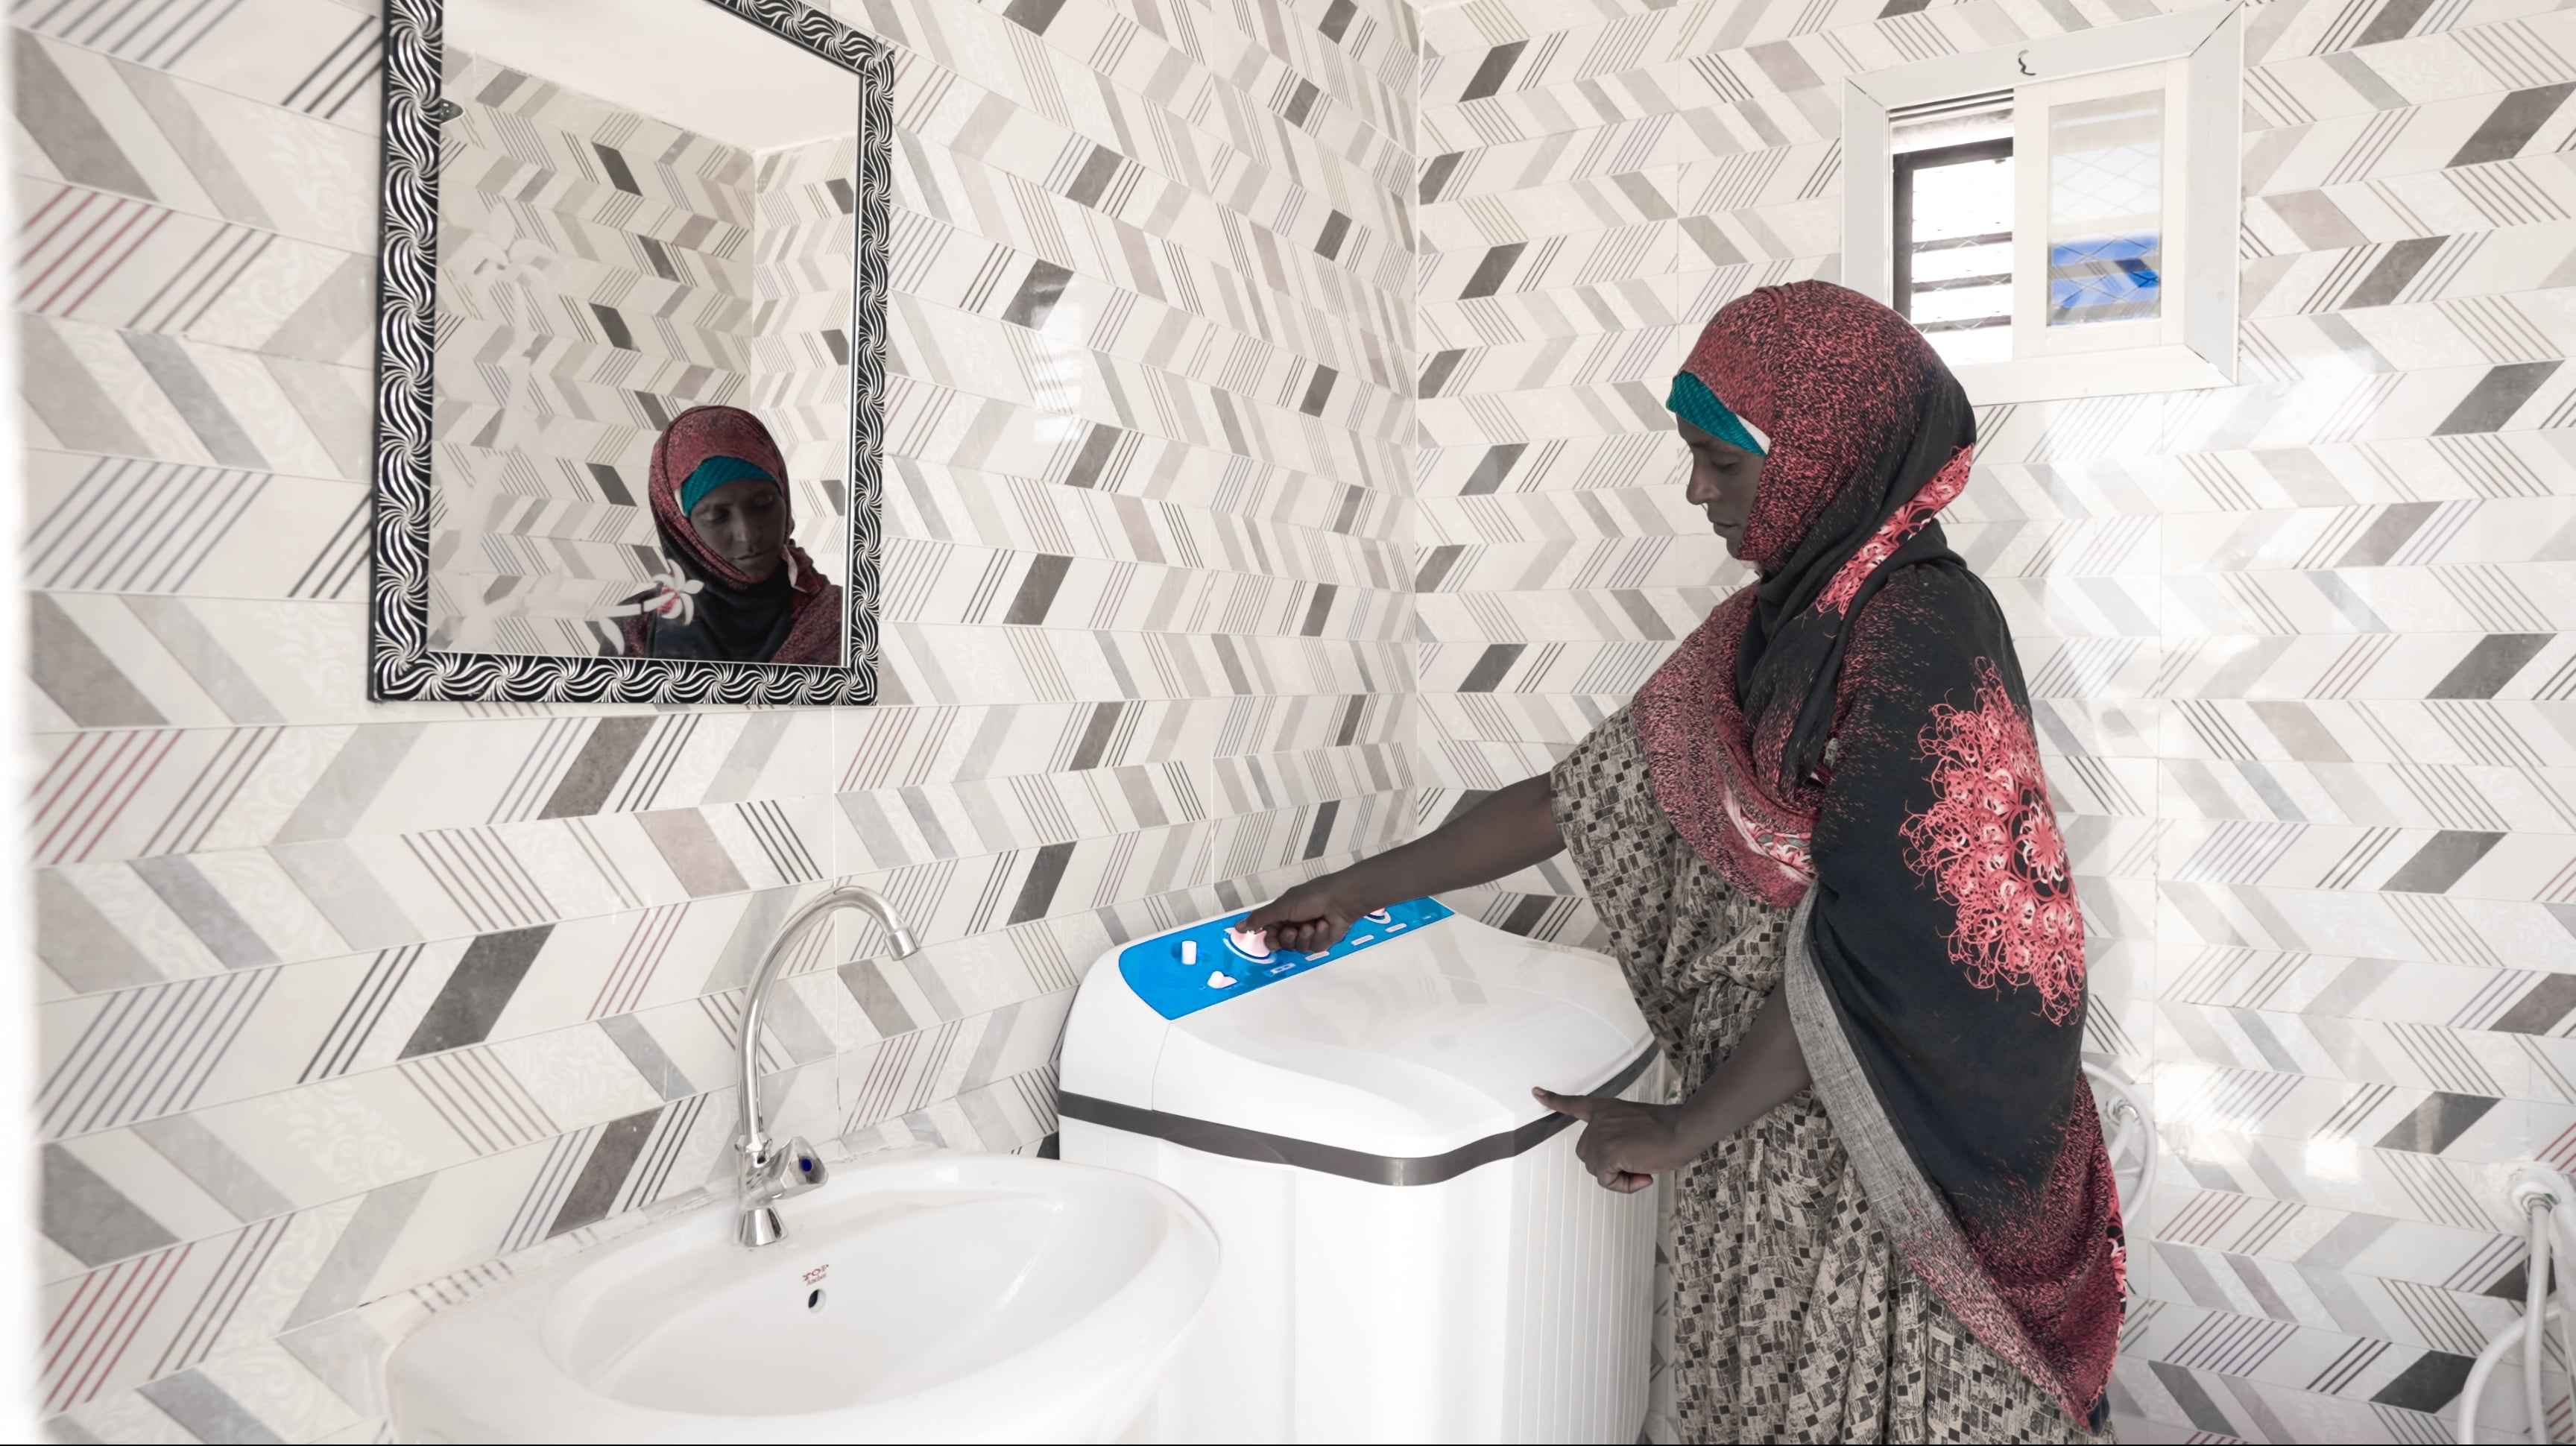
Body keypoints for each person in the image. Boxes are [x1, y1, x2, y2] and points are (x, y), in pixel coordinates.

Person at [1247, 282, 2122, 1443]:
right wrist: (1351, 891)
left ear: (1821, 460)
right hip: (1767, 1142)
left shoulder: (1919, 631)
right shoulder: (1772, 629)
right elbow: (1578, 797)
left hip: (1890, 1166)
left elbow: (1897, 944)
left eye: (1719, 461)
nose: (1699, 493)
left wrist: (1680, 1129)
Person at [609, 404, 842, 666]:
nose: (748, 535)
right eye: (716, 517)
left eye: (764, 504)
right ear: (681, 528)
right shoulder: (634, 632)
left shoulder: (844, 620)